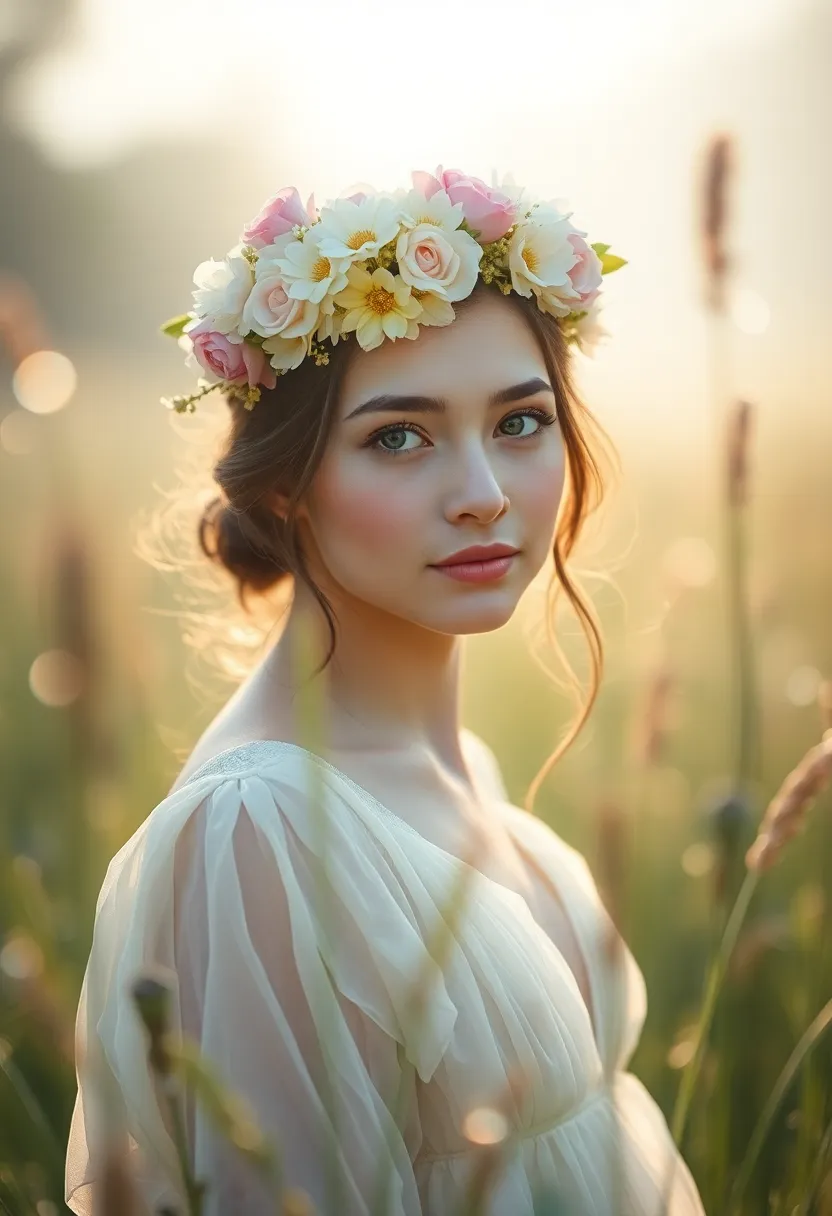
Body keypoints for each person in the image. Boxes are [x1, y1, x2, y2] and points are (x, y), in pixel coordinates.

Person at [65, 168, 705, 1214]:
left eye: (519, 422)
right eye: (397, 437)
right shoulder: (260, 832)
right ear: (283, 481)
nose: (484, 496)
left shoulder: (457, 770)